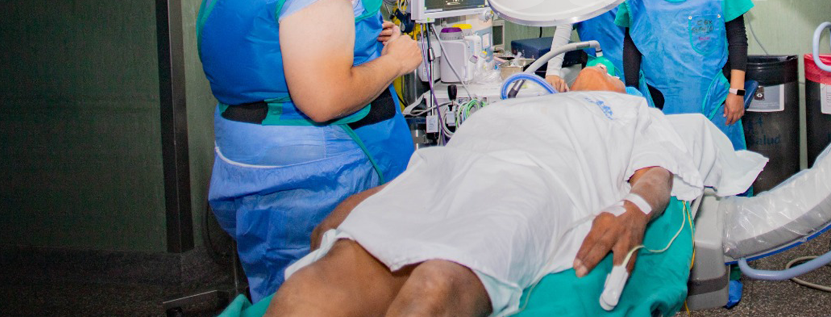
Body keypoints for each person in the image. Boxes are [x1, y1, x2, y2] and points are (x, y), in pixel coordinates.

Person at [253, 81, 764, 317]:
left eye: (606, 70)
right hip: (445, 172)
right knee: (313, 287)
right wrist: (371, 202)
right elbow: (443, 157)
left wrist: (632, 212)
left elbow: (655, 178)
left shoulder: (633, 112)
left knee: (438, 284)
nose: (595, 68)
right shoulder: (518, 100)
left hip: (532, 182)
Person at [198, 0, 422, 300]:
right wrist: (395, 62)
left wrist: (364, 35)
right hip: (313, 177)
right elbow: (323, 98)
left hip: (254, 160)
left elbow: (266, 38)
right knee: (324, 297)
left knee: (281, 295)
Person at [616, 0, 754, 149]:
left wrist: (737, 91)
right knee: (667, 163)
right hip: (659, 100)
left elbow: (737, 38)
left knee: (719, 163)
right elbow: (632, 43)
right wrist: (632, 93)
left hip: (713, 98)